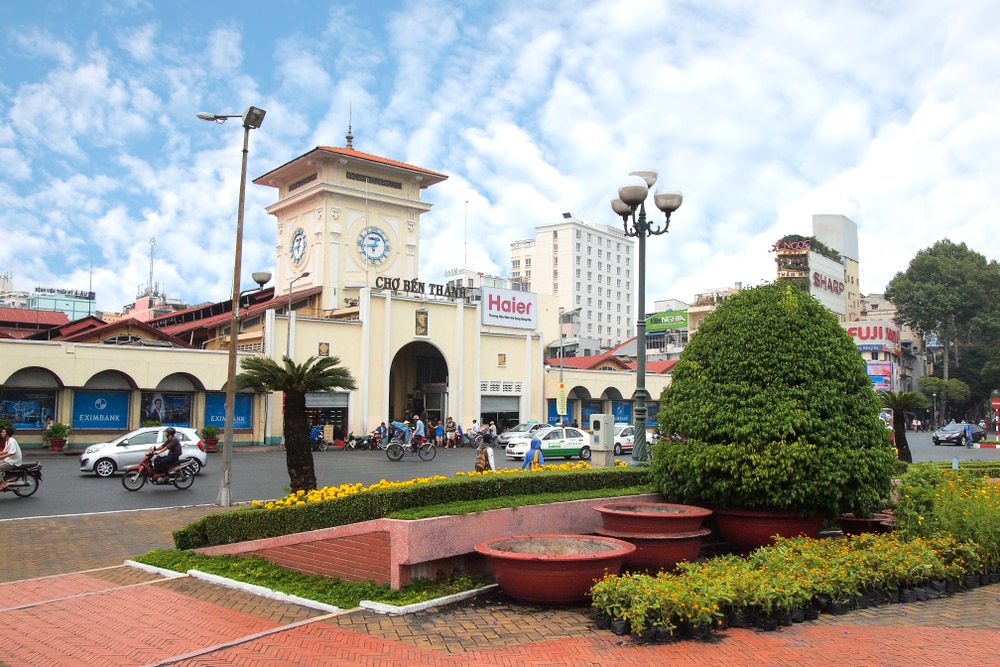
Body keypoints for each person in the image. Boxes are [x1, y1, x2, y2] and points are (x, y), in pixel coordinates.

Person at [0, 426, 23, 491]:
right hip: (9, 460)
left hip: (14, 462)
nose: (1, 433)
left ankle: (2, 483)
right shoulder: (8, 441)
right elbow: (5, 451)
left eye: (3, 432)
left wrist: (1, 457)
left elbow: (11, 453)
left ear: (7, 433)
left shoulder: (12, 441)